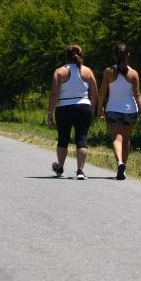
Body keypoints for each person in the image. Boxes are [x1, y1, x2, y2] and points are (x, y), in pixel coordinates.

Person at [97, 43, 141, 180]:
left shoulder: (108, 72)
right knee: (126, 139)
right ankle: (123, 167)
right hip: (130, 111)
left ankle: (119, 162)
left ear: (115, 56)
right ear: (128, 55)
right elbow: (137, 95)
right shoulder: (134, 73)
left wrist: (99, 108)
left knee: (117, 138)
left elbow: (102, 92)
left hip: (113, 110)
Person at [47, 45, 98, 180]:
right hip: (83, 107)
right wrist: (92, 109)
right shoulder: (87, 71)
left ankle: (60, 168)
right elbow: (94, 93)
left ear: (66, 56)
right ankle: (80, 170)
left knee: (63, 139)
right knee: (82, 138)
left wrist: (50, 112)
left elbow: (54, 94)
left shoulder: (59, 72)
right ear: (80, 55)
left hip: (64, 108)